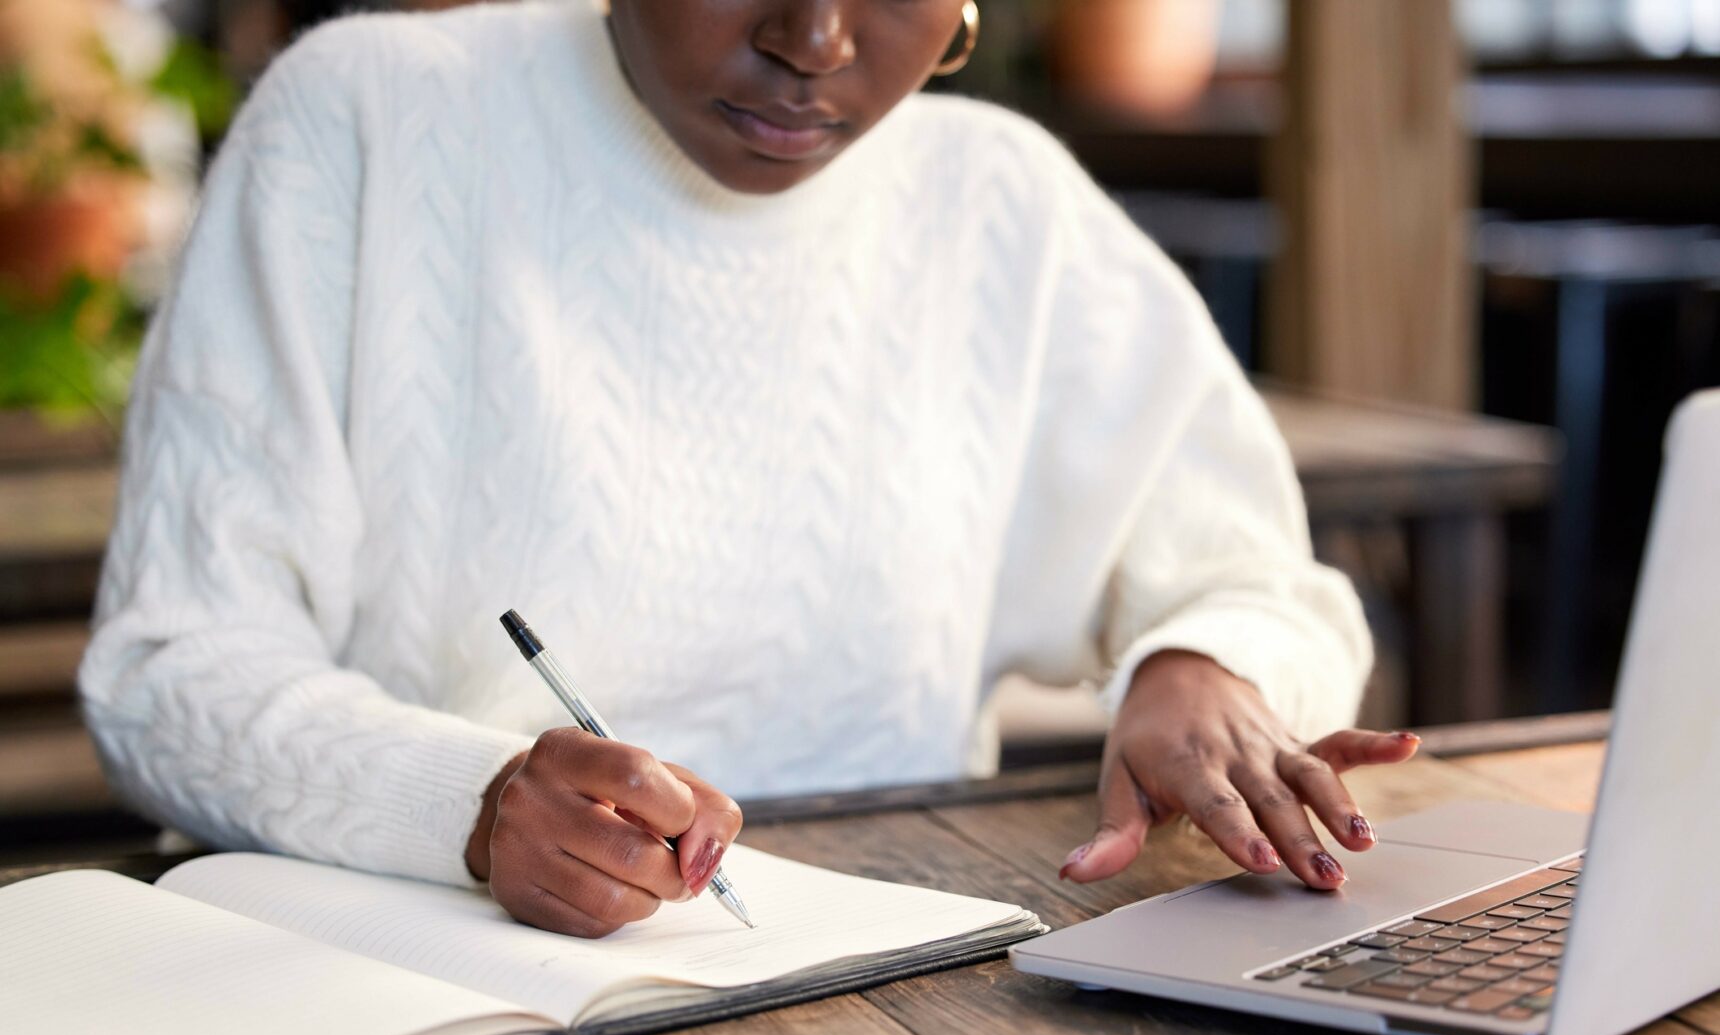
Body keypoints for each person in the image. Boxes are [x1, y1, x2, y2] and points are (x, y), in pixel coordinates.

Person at [80, 0, 1418, 940]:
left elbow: (1265, 585)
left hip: (899, 983)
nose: (814, 43)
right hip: (421, 980)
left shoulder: (1002, 203)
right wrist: (472, 805)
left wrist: (1204, 671)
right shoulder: (367, 121)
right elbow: (174, 667)